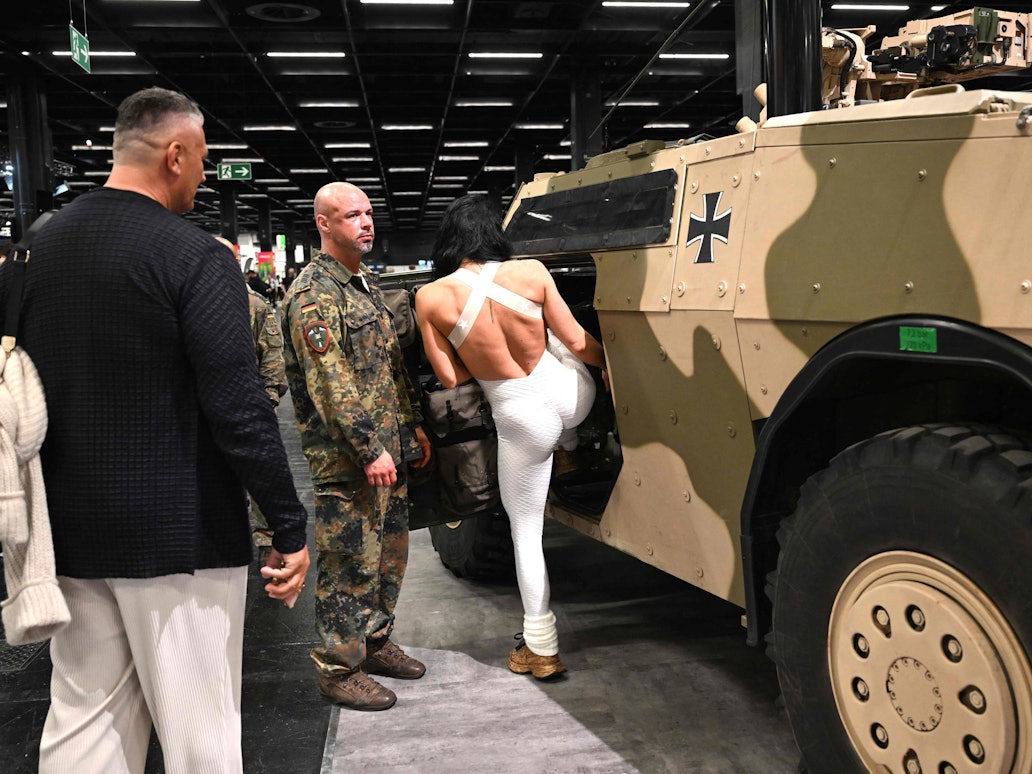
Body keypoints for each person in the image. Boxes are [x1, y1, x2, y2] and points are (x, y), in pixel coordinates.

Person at [8, 87, 310, 773]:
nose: (205, 177)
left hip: (69, 532)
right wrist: (288, 526)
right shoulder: (194, 256)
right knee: (201, 735)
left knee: (85, 727)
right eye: (202, 160)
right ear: (175, 155)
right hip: (182, 535)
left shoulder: (33, 253)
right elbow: (237, 407)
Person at [415, 194, 606, 679]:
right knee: (561, 344)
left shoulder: (431, 297)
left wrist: (476, 354)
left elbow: (451, 379)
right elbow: (581, 343)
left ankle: (540, 646)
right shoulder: (533, 272)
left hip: (520, 418)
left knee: (526, 535)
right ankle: (571, 450)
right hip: (571, 398)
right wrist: (615, 374)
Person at [282, 181, 432, 712]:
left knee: (389, 555)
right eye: (351, 215)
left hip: (389, 452)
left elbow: (390, 369)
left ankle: (373, 640)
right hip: (348, 462)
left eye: (368, 214)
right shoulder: (314, 294)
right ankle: (339, 668)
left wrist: (410, 425)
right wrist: (370, 449)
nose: (366, 223)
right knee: (350, 563)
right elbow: (331, 382)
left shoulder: (360, 284)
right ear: (324, 224)